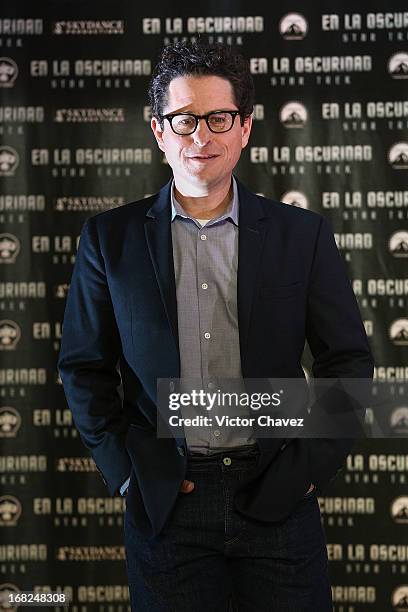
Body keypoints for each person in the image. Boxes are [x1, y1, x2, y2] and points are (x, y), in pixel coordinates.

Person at [58, 40, 374, 612]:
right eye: (183, 119)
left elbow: (347, 360)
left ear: (244, 129)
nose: (200, 136)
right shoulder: (111, 240)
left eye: (218, 118)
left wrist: (305, 473)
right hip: (168, 502)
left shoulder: (301, 236)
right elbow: (85, 366)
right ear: (159, 132)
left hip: (276, 493)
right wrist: (128, 475)